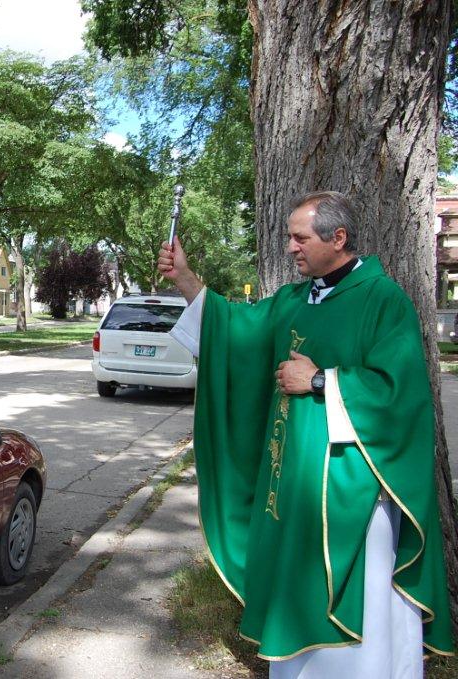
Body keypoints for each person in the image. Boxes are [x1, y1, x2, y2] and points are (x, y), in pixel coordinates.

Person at [157, 190, 454, 676]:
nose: (290, 247)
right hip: (293, 487)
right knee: (297, 593)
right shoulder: (295, 299)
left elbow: (399, 394)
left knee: (360, 609)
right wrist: (186, 278)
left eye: (299, 238)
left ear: (338, 238)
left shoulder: (383, 300)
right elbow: (235, 330)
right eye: (288, 237)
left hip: (353, 489)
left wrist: (320, 381)